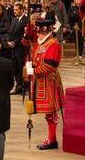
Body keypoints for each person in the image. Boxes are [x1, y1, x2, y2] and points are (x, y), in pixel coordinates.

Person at [27, 18, 65, 150]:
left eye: (38, 31)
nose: (37, 34)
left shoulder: (53, 44)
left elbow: (49, 66)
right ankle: (51, 138)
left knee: (51, 112)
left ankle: (52, 139)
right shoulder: (42, 43)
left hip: (49, 81)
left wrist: (33, 71)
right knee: (48, 113)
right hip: (40, 81)